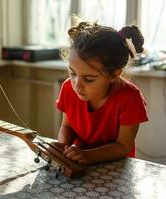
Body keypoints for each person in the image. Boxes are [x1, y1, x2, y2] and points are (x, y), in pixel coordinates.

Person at [56, 21, 148, 165]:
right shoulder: (68, 88)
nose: (77, 85)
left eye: (89, 79)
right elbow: (67, 127)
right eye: (72, 73)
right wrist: (62, 148)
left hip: (116, 170)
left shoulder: (130, 98)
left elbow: (123, 147)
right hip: (80, 163)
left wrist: (87, 156)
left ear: (114, 74)